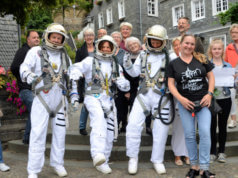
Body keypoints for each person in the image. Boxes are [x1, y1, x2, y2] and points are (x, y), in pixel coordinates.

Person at [20, 23, 78, 178]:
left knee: (60, 134)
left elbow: (71, 77)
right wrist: (29, 75)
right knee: (38, 134)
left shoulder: (65, 55)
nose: (56, 40)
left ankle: (57, 163)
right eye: (54, 37)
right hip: (42, 99)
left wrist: (74, 95)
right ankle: (33, 170)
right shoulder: (36, 52)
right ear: (48, 36)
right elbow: (23, 68)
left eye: (59, 38)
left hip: (59, 101)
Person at [69, 35, 130, 174]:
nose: (106, 49)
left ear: (113, 48)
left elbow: (125, 85)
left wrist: (124, 84)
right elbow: (75, 67)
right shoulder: (90, 60)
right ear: (99, 47)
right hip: (93, 95)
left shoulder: (116, 64)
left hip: (108, 98)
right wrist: (76, 74)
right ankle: (97, 154)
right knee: (98, 120)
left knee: (109, 129)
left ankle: (104, 160)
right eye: (103, 47)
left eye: (109, 47)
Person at [124, 25, 171, 175]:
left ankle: (157, 159)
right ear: (148, 40)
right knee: (132, 125)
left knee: (161, 130)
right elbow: (134, 73)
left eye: (158, 41)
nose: (155, 44)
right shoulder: (143, 55)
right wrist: (127, 64)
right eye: (153, 41)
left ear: (163, 42)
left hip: (162, 97)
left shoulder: (169, 56)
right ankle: (133, 158)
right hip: (143, 95)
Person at [167, 34, 215, 178]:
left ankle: (204, 168)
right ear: (180, 44)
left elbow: (211, 77)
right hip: (185, 104)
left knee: (205, 133)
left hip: (203, 102)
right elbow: (170, 84)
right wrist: (180, 99)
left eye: (192, 44)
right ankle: (194, 167)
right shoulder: (173, 64)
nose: (189, 46)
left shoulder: (201, 59)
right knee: (189, 135)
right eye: (186, 43)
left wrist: (209, 94)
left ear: (195, 46)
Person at [10, 30, 40, 144]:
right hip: (26, 89)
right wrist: (23, 80)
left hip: (34, 89)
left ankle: (29, 137)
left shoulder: (36, 52)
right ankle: (27, 138)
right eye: (34, 37)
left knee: (36, 111)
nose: (37, 39)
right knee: (36, 110)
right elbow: (14, 67)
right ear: (28, 40)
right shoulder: (23, 52)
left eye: (38, 37)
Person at [208, 39, 232, 164]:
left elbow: (232, 85)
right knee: (211, 126)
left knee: (223, 126)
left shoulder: (228, 66)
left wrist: (234, 80)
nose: (217, 51)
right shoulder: (207, 65)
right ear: (211, 50)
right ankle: (212, 152)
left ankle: (221, 152)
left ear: (222, 50)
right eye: (214, 49)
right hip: (211, 100)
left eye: (219, 49)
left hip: (225, 99)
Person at [169, 36, 190, 166]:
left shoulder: (193, 59)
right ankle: (177, 154)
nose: (178, 47)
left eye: (179, 44)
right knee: (178, 127)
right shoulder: (171, 60)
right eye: (175, 45)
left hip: (191, 97)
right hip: (177, 97)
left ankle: (187, 154)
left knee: (189, 127)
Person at [115, 36, 141, 133]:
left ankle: (135, 128)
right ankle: (121, 125)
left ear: (138, 44)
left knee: (135, 110)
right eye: (130, 45)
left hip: (139, 88)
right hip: (127, 88)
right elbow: (125, 75)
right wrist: (127, 91)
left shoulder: (144, 55)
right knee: (121, 107)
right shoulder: (126, 57)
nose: (133, 46)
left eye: (135, 44)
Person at [75, 28, 95, 136]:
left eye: (91, 35)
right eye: (87, 35)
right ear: (84, 37)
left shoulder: (99, 48)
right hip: (86, 82)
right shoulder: (80, 51)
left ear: (94, 36)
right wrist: (81, 72)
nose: (89, 37)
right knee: (86, 104)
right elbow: (76, 66)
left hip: (98, 80)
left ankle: (95, 125)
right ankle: (82, 126)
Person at [225, 24, 238, 128]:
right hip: (233, 77)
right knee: (231, 98)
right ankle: (233, 120)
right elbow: (226, 63)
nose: (234, 34)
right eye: (232, 32)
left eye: (236, 32)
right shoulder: (228, 48)